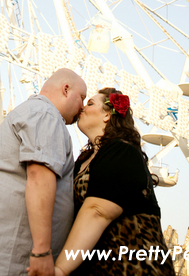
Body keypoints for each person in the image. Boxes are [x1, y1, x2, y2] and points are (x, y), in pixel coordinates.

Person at [0, 68, 87, 276]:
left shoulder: (33, 112)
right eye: (82, 97)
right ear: (66, 89)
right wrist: (41, 250)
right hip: (4, 258)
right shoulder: (46, 114)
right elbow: (40, 177)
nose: (82, 107)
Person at [53, 88, 175, 276]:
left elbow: (98, 211)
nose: (82, 108)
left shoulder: (122, 152)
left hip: (136, 268)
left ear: (107, 115)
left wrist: (59, 269)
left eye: (90, 103)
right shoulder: (83, 161)